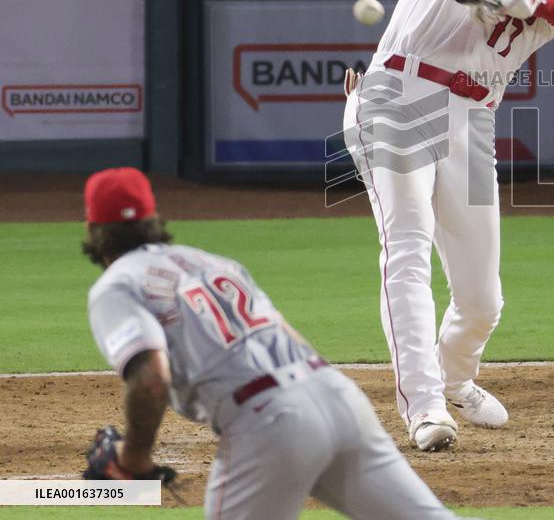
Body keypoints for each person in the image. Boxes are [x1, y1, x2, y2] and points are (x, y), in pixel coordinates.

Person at [343, 0, 554, 451]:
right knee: (406, 246)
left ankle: (456, 376)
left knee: (482, 298)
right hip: (398, 91)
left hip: (473, 117)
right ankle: (425, 405)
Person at [84, 167, 458, 519]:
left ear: (93, 228)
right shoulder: (213, 262)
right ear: (153, 220)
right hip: (339, 397)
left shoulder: (117, 285)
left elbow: (151, 377)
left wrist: (132, 458)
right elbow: (288, 333)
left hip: (268, 423)